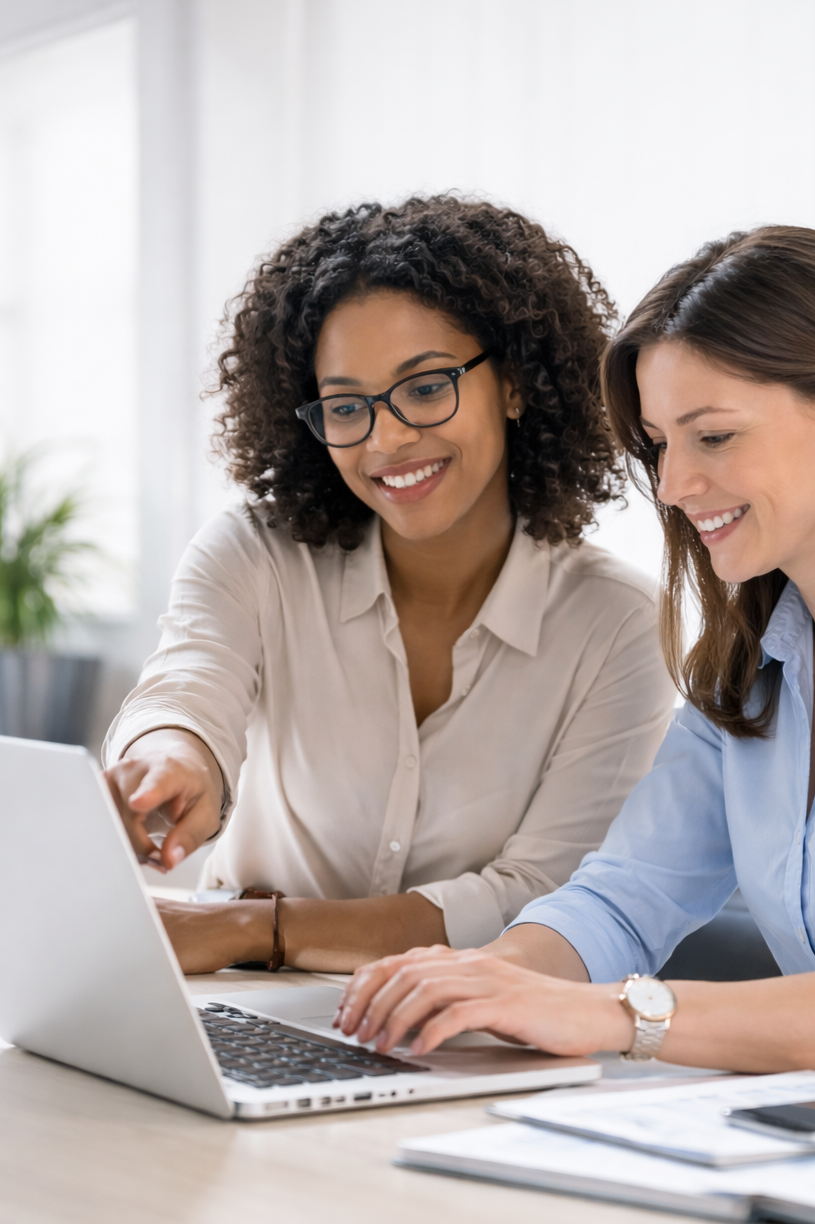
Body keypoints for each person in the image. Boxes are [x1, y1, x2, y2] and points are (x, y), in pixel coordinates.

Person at [336, 225, 815, 1076]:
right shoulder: (752, 663)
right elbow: (625, 897)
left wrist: (618, 1013)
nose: (671, 487)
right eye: (660, 444)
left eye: (714, 436)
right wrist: (485, 982)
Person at [103, 197, 676, 974]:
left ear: (512, 385)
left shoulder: (619, 627)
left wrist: (255, 930)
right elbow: (187, 691)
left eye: (427, 387)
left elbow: (542, 897)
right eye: (346, 405)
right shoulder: (257, 555)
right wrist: (171, 756)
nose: (387, 437)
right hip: (244, 1008)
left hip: (469, 1036)